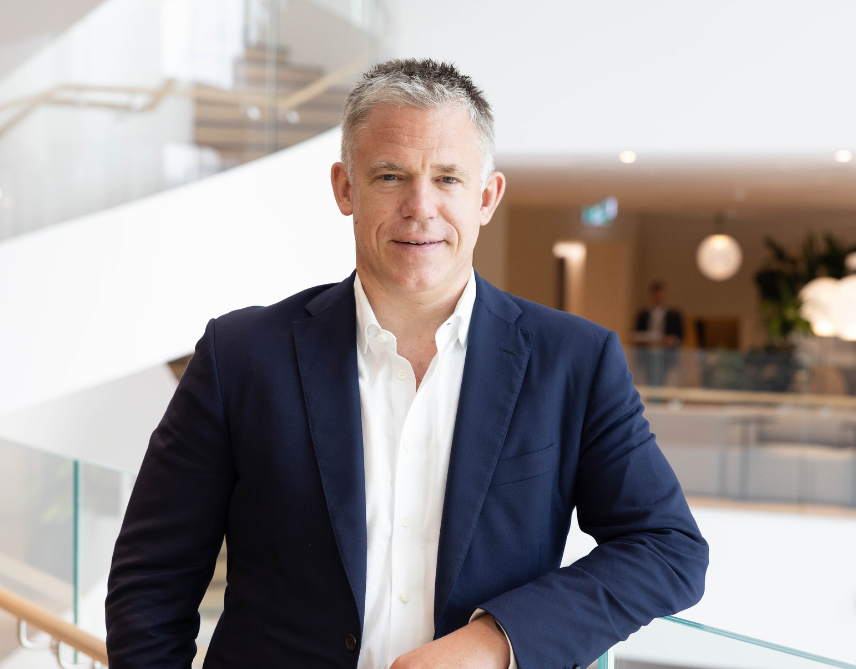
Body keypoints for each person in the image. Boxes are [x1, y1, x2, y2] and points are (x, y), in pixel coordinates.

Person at [105, 59, 708, 669]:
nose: (421, 207)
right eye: (391, 175)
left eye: (448, 179)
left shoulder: (576, 361)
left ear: (487, 196)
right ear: (345, 188)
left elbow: (668, 548)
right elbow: (152, 579)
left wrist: (498, 641)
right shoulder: (239, 356)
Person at [633, 281, 685, 386]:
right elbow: (636, 334)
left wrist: (669, 340)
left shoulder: (674, 315)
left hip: (666, 356)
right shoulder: (643, 314)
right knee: (648, 382)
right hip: (647, 356)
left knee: (665, 384)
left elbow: (680, 336)